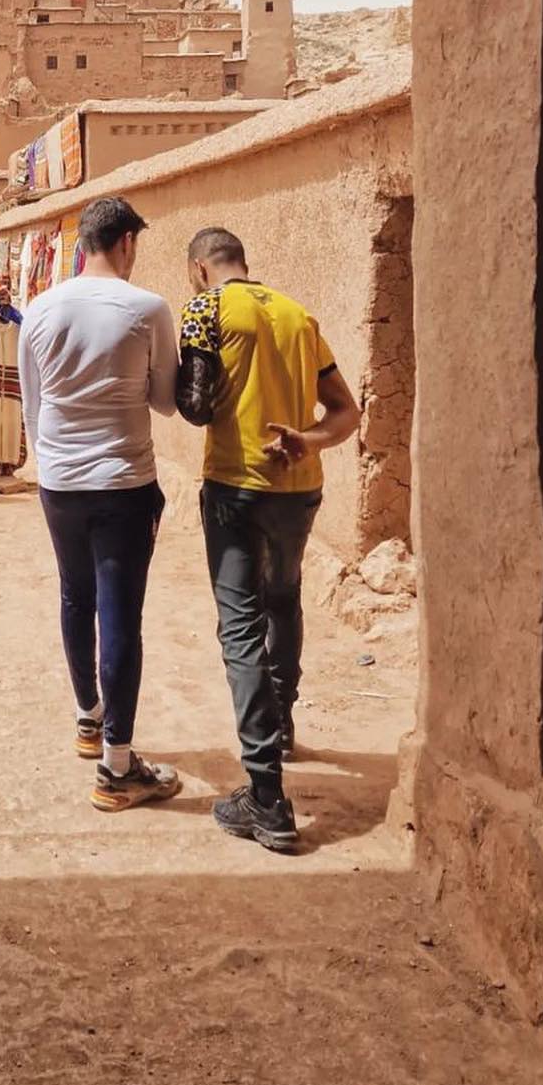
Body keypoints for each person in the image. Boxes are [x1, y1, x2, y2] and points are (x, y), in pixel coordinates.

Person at [176, 226, 360, 853]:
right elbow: (345, 412)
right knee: (284, 599)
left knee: (240, 625)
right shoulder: (298, 315)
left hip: (236, 486)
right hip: (299, 485)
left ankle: (267, 795)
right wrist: (306, 438)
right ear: (243, 263)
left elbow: (195, 408)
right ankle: (281, 726)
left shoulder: (206, 308)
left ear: (200, 268)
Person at [18, 195, 180, 813]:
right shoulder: (146, 309)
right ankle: (117, 765)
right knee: (120, 615)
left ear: (82, 242)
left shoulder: (39, 309)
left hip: (59, 481)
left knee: (73, 595)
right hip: (122, 483)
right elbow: (165, 402)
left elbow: (33, 405)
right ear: (127, 243)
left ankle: (89, 717)